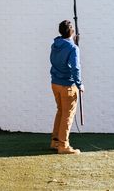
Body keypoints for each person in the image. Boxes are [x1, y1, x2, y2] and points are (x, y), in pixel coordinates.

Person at [50, 19, 83, 154]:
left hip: (55, 83)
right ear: (72, 32)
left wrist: (72, 42)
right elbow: (76, 67)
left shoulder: (55, 44)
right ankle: (63, 145)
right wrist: (79, 84)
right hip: (67, 85)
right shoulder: (73, 48)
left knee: (61, 111)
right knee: (67, 115)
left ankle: (55, 141)